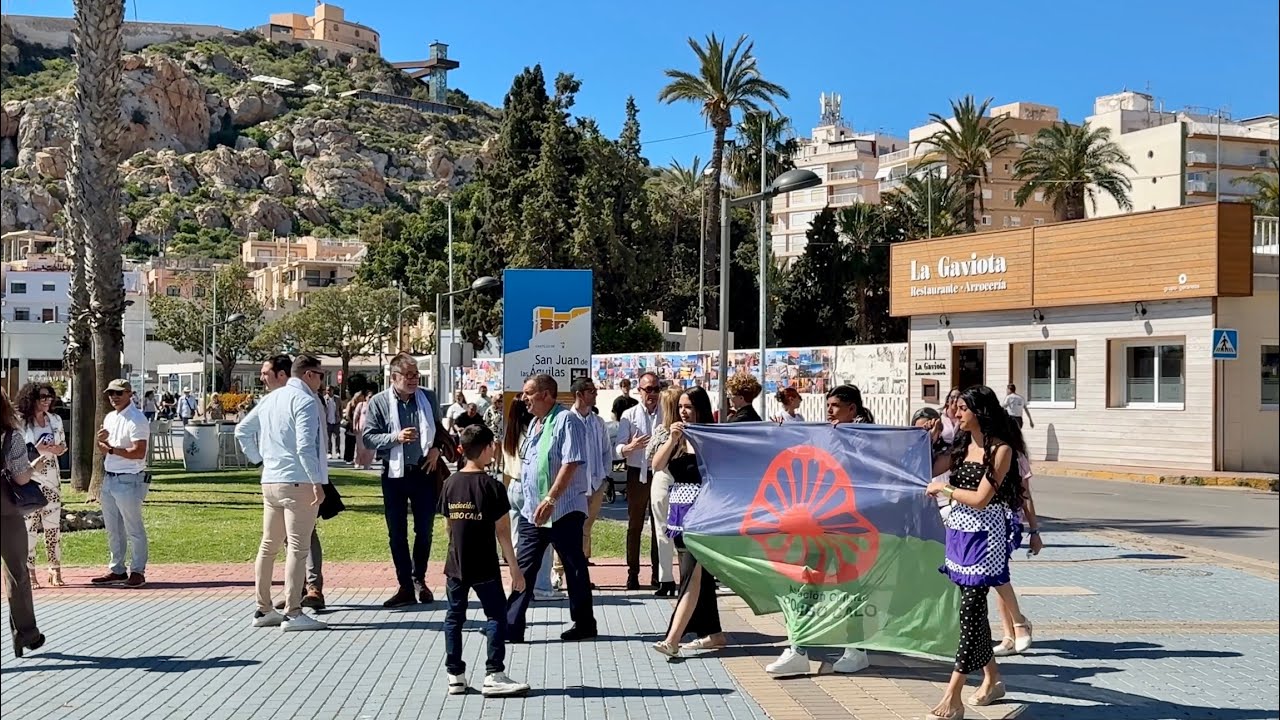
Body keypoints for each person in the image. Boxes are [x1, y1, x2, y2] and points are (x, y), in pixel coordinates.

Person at [924, 385, 1026, 719]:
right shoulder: (961, 444)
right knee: (973, 613)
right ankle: (993, 678)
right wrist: (928, 436)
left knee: (970, 611)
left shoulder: (1001, 450)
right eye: (955, 409)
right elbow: (929, 466)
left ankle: (952, 694)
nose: (956, 413)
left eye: (963, 409)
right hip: (959, 534)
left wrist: (945, 488)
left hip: (987, 537)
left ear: (980, 412)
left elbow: (982, 498)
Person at [767, 384, 873, 676]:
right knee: (809, 582)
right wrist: (781, 430)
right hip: (821, 522)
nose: (829, 411)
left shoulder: (867, 438)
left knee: (850, 586)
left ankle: (856, 648)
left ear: (853, 409)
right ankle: (798, 647)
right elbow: (800, 452)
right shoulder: (826, 433)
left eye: (836, 406)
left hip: (850, 526)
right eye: (828, 405)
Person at [236, 354, 328, 632]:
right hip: (297, 481)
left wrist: (260, 459)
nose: (322, 381)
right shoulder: (305, 401)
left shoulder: (270, 399)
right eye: (320, 375)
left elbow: (242, 430)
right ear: (309, 375)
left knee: (269, 545)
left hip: (271, 480)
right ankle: (293, 611)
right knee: (298, 549)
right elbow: (304, 447)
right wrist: (317, 482)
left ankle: (263, 608)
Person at [439, 424, 530, 697]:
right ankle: (494, 673)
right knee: (496, 615)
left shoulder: (450, 484)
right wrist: (515, 569)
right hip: (484, 564)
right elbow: (503, 531)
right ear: (488, 448)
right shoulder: (491, 486)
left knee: (454, 617)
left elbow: (447, 525)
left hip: (455, 562)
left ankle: (455, 674)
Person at [505, 374, 597, 643]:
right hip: (532, 512)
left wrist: (551, 499)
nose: (524, 399)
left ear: (546, 394)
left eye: (529, 393)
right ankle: (511, 626)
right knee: (524, 568)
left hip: (562, 510)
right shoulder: (535, 423)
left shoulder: (565, 420)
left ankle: (584, 624)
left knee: (574, 567)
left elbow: (571, 462)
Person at [362, 353, 452, 608]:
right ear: (394, 377)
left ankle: (419, 579)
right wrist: (395, 438)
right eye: (409, 375)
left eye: (416, 375)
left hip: (424, 470)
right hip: (393, 473)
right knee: (396, 532)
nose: (414, 380)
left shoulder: (428, 397)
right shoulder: (379, 402)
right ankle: (404, 585)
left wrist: (436, 449)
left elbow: (438, 429)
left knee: (424, 530)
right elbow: (369, 437)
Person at [650, 386, 727, 658]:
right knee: (696, 577)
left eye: (689, 407)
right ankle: (714, 633)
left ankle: (673, 638)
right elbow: (657, 465)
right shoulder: (678, 438)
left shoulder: (712, 439)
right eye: (681, 406)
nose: (683, 411)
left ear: (700, 410)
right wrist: (672, 440)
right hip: (681, 513)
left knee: (692, 578)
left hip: (702, 515)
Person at [552, 378, 613, 591]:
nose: (595, 394)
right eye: (591, 391)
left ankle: (580, 574)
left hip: (595, 484)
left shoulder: (598, 422)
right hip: (573, 486)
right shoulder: (566, 420)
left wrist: (604, 476)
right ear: (579, 394)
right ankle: (559, 572)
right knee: (566, 530)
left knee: (586, 529)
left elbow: (606, 451)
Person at [90, 379, 151, 589]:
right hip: (110, 477)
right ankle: (117, 569)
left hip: (129, 478)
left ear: (129, 394)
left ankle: (137, 571)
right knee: (113, 528)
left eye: (118, 393)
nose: (113, 397)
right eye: (110, 394)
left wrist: (112, 449)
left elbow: (139, 452)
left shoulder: (137, 419)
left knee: (133, 527)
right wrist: (103, 443)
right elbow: (104, 448)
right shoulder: (110, 417)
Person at [2, 389, 46, 658]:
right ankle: (26, 634)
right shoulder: (11, 437)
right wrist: (32, 468)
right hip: (5, 511)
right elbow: (20, 479)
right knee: (17, 573)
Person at [501, 398, 555, 599]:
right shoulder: (531, 432)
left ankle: (517, 582)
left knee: (518, 539)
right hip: (528, 487)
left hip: (513, 485)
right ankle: (541, 586)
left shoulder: (510, 433)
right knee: (542, 539)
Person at [15, 382, 67, 588]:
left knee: (53, 526)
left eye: (50, 397)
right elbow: (17, 454)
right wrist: (36, 449)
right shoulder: (21, 423)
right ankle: (30, 571)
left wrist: (57, 449)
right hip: (31, 479)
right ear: (32, 398)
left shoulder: (55, 420)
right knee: (29, 528)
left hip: (52, 480)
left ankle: (55, 569)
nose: (47, 400)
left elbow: (63, 446)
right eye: (43, 397)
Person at [614, 370, 662, 590]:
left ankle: (658, 573)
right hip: (636, 473)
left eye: (656, 389)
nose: (652, 394)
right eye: (648, 389)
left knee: (659, 525)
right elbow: (618, 449)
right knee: (634, 525)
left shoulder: (666, 412)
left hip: (660, 473)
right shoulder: (629, 415)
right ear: (639, 390)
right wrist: (629, 447)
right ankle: (632, 573)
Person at [645, 387, 683, 597]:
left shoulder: (665, 429)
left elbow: (649, 455)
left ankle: (667, 578)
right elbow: (653, 457)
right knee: (665, 529)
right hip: (669, 478)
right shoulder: (665, 430)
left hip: (668, 480)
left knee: (664, 531)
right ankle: (668, 577)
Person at [352, 390, 376, 470]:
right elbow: (356, 416)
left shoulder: (375, 405)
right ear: (365, 397)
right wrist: (354, 426)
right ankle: (357, 462)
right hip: (361, 429)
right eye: (369, 397)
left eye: (372, 396)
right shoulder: (361, 405)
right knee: (360, 447)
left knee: (371, 449)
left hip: (372, 430)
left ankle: (367, 464)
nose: (371, 398)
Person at [323, 387, 341, 458]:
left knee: (337, 437)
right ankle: (329, 452)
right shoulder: (324, 399)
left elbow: (340, 408)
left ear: (332, 390)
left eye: (329, 390)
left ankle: (338, 452)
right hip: (328, 421)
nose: (328, 392)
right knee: (328, 438)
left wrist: (340, 418)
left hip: (336, 421)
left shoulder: (337, 399)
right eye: (327, 390)